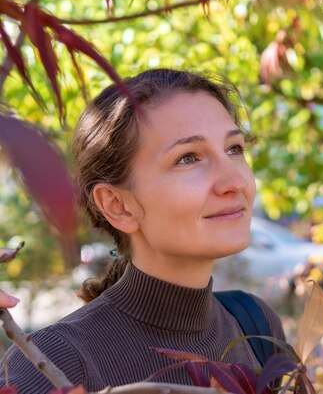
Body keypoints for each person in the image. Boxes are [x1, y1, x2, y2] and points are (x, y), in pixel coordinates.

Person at [0, 69, 285, 392]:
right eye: (188, 158)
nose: (235, 182)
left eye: (234, 149)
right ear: (118, 205)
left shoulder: (255, 325)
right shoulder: (55, 360)